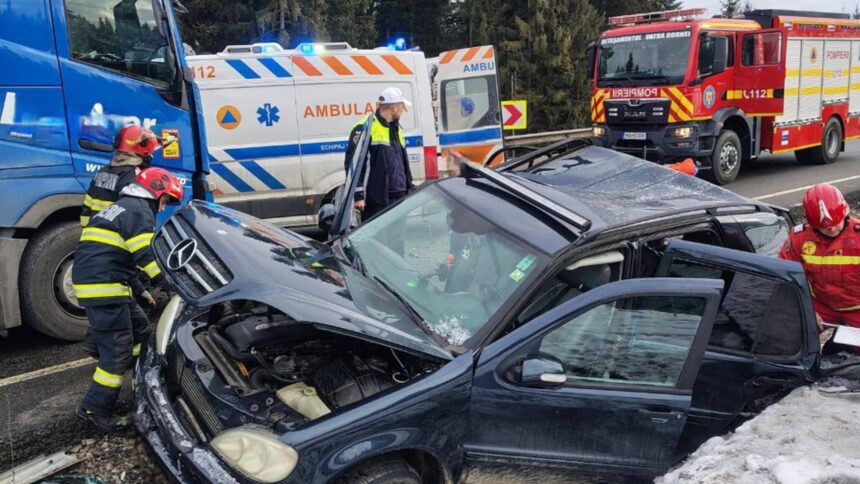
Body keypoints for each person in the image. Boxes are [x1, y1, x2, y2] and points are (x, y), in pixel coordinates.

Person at [73, 167, 183, 432]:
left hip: (105, 282)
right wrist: (174, 286)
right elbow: (146, 255)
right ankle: (95, 409)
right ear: (155, 191)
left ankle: (143, 380)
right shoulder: (139, 211)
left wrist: (141, 289)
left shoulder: (124, 207)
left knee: (141, 330)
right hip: (104, 287)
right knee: (117, 352)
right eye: (165, 200)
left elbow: (120, 254)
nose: (163, 206)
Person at [79, 125, 162, 359]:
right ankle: (132, 354)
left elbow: (87, 209)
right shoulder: (133, 177)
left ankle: (103, 344)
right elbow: (132, 213)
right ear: (142, 151)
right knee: (137, 298)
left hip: (98, 243)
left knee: (122, 304)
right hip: (121, 244)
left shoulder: (103, 172)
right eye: (150, 151)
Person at [779, 184, 860, 346]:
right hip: (821, 304)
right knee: (788, 332)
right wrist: (806, 309)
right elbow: (784, 276)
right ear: (812, 224)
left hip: (856, 307)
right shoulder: (800, 238)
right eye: (825, 227)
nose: (832, 229)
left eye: (836, 223)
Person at [344, 87, 415, 222]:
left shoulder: (396, 128)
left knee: (398, 240)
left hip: (399, 197)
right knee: (377, 240)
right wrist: (358, 195)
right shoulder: (366, 127)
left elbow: (402, 161)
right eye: (402, 106)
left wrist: (410, 186)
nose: (403, 110)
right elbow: (353, 162)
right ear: (394, 107)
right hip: (376, 199)